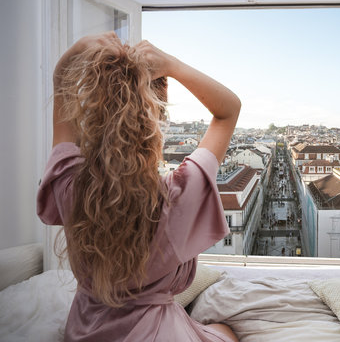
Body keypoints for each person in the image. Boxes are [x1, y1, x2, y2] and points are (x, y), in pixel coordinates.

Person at [36, 32, 241, 342]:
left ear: (91, 116)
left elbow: (62, 87)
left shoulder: (70, 186)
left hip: (85, 331)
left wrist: (74, 55)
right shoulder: (178, 195)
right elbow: (228, 110)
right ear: (156, 120)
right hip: (160, 335)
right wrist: (172, 65)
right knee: (225, 331)